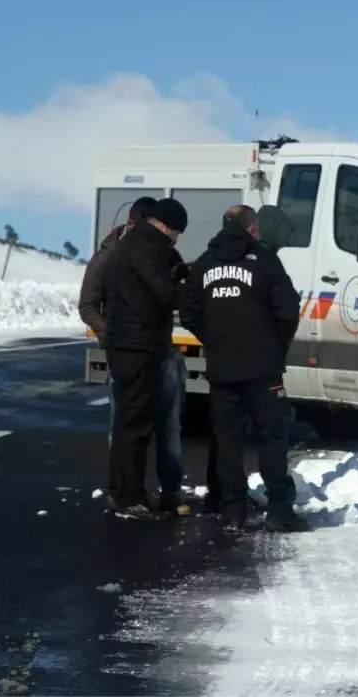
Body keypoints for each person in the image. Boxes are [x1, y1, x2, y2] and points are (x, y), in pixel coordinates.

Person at [179, 205, 308, 533]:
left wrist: (215, 340)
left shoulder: (206, 263)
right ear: (252, 228)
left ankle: (232, 511)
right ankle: (279, 510)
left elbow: (189, 311)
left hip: (222, 369)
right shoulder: (264, 261)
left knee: (227, 440)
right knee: (271, 439)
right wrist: (273, 347)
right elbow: (289, 310)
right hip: (262, 369)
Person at [80, 196, 190, 517]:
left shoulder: (131, 246)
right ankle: (131, 497)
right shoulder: (147, 248)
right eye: (177, 232)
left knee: (128, 423)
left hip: (131, 345)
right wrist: (189, 286)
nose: (176, 239)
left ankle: (122, 492)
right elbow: (165, 294)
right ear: (166, 226)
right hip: (138, 347)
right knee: (135, 426)